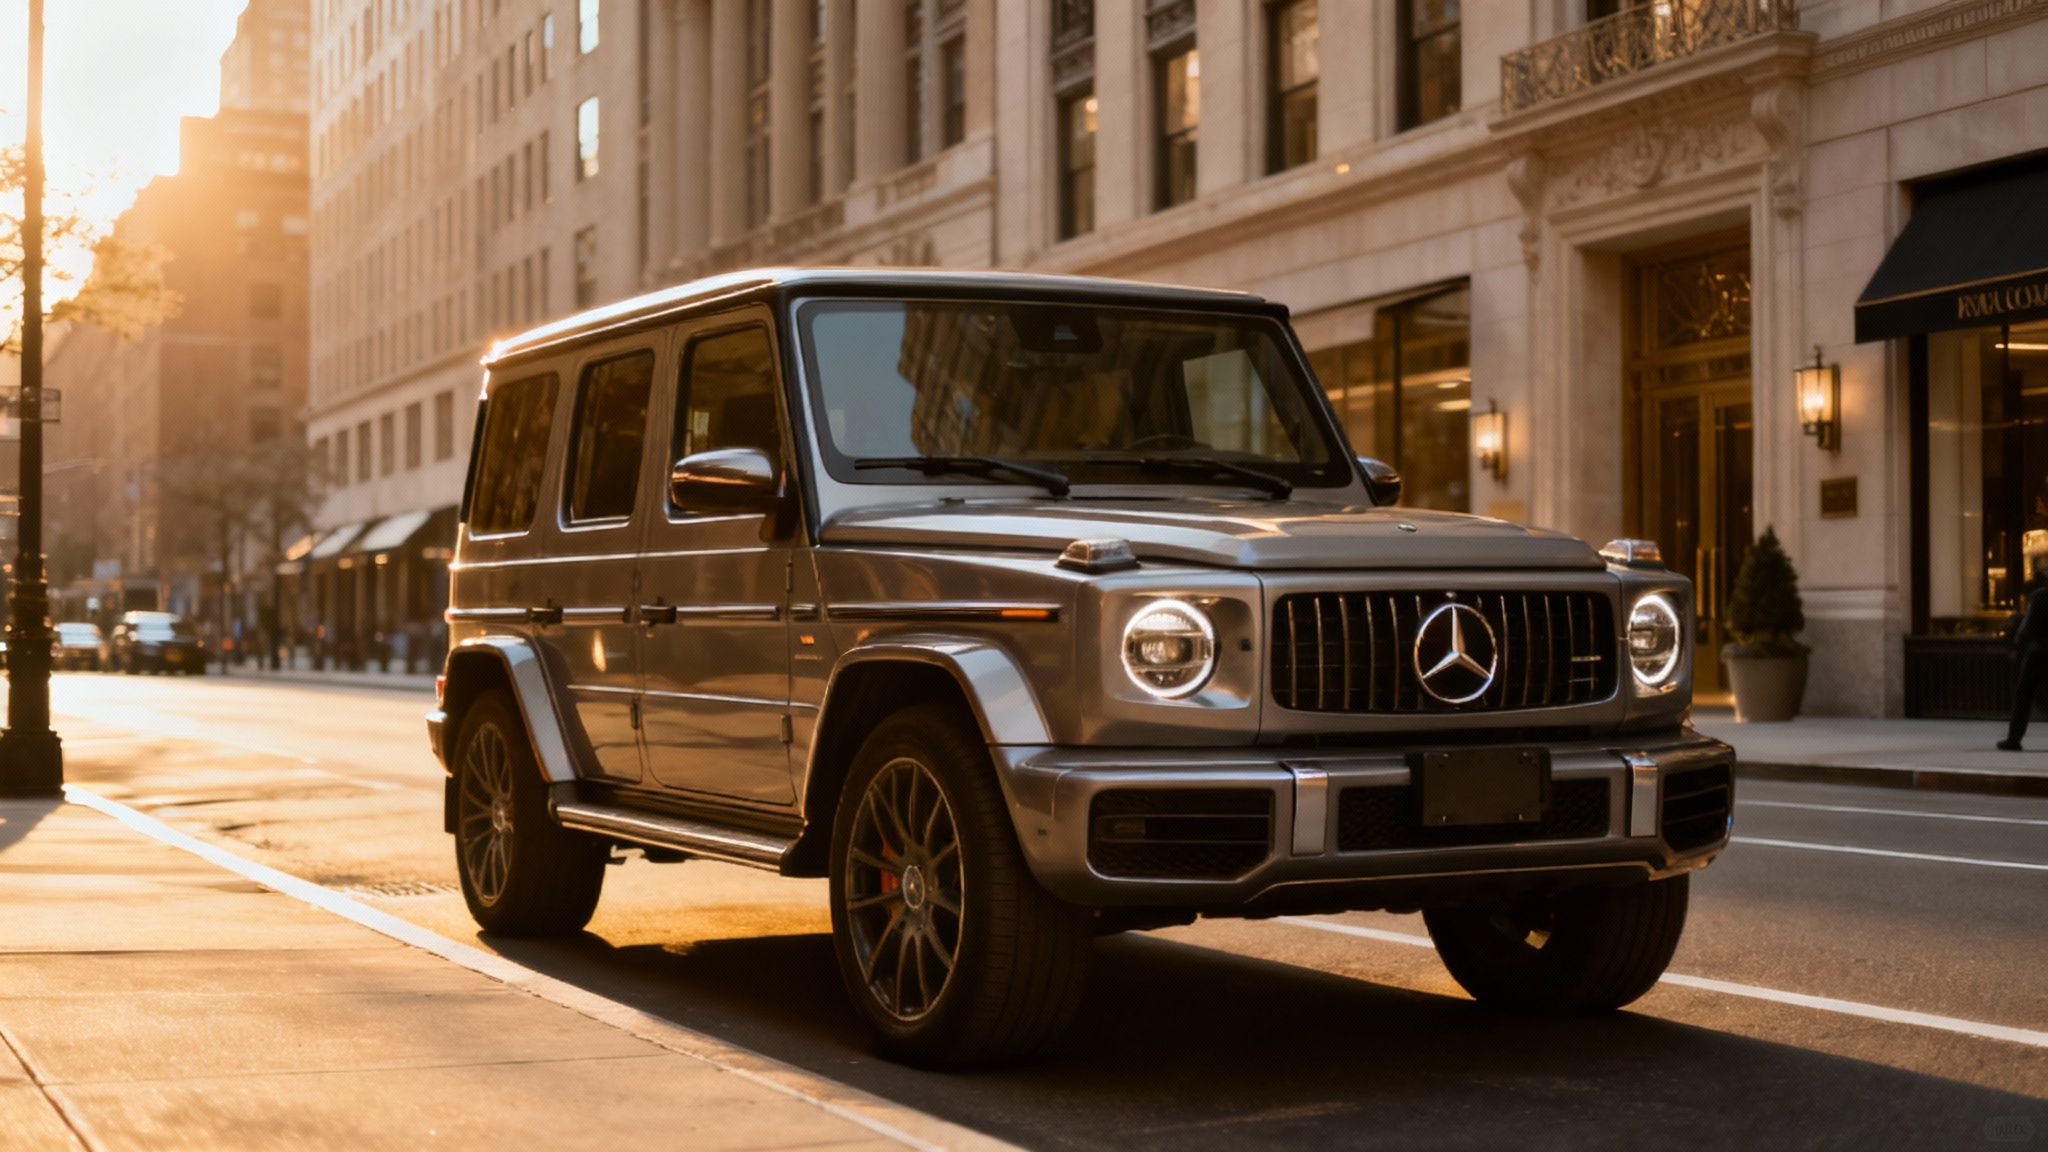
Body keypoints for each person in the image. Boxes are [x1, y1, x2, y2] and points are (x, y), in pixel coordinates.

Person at [2000, 572, 2048, 750]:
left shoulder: (2039, 597)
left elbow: (2026, 628)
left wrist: (2017, 644)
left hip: (2038, 653)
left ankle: (2014, 739)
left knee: (2023, 696)